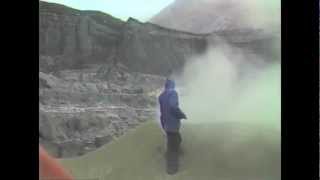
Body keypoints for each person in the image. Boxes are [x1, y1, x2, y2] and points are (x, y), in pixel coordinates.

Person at [158, 79, 187, 174]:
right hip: (173, 123)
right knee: (174, 144)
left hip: (166, 124)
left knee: (175, 140)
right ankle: (172, 169)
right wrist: (181, 115)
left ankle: (172, 159)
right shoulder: (173, 93)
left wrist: (163, 125)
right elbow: (173, 106)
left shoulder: (161, 96)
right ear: (172, 86)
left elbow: (162, 113)